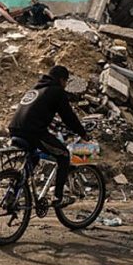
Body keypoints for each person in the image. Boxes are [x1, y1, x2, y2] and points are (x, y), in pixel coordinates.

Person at [9, 65, 90, 208]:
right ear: (61, 80)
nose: (65, 85)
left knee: (33, 157)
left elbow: (37, 112)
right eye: (66, 82)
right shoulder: (57, 91)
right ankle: (58, 197)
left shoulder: (36, 89)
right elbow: (68, 116)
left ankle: (13, 191)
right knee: (64, 155)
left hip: (15, 129)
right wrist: (82, 133)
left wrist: (52, 125)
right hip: (33, 131)